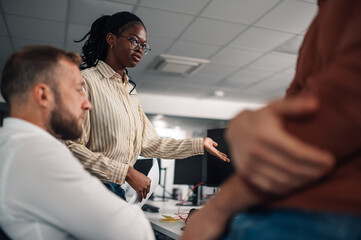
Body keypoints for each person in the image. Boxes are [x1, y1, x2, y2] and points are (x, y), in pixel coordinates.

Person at [181, 0, 361, 239]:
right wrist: (247, 124)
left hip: (327, 212)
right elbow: (295, 106)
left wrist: (217, 208)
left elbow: (344, 104)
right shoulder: (322, 20)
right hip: (284, 205)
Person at [65, 11, 229, 201]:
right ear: (111, 39)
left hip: (116, 191)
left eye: (144, 45)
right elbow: (69, 147)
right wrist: (126, 172)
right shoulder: (85, 81)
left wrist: (200, 144)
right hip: (88, 190)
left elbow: (151, 144)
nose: (140, 49)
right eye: (134, 40)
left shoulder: (129, 92)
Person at [0, 45, 154, 240]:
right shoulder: (35, 153)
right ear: (43, 95)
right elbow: (133, 232)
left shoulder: (10, 144)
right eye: (78, 90)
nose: (87, 103)